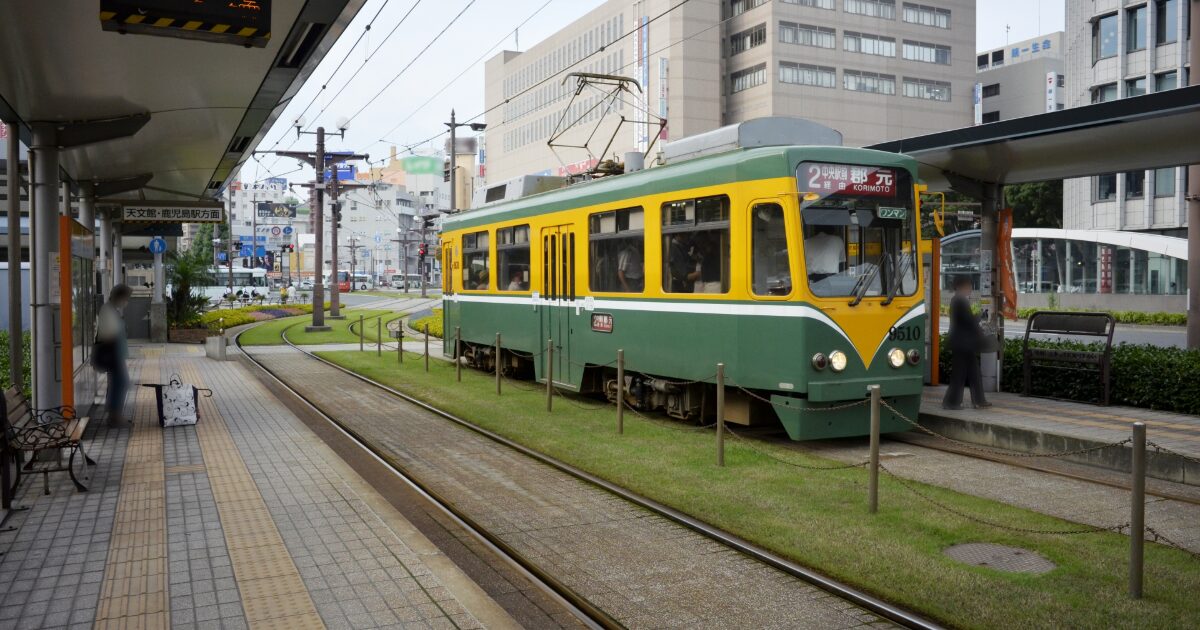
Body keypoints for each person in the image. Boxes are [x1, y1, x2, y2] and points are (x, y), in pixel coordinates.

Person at [943, 276, 991, 410]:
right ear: (959, 287)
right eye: (967, 286)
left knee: (973, 372)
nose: (970, 289)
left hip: (963, 343)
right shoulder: (959, 300)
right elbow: (967, 320)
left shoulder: (959, 300)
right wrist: (980, 316)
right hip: (962, 343)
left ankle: (979, 401)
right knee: (960, 374)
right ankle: (951, 402)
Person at [95, 284, 132, 427]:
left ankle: (114, 414)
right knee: (120, 383)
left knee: (118, 383)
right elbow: (109, 334)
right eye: (126, 298)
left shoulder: (112, 309)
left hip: (116, 353)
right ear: (119, 296)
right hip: (112, 354)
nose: (127, 301)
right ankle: (114, 416)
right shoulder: (108, 310)